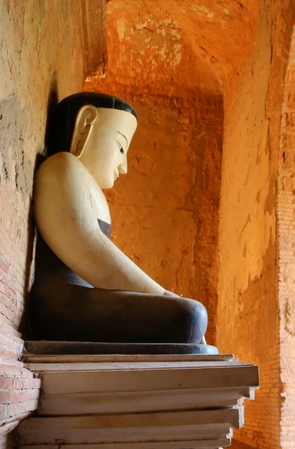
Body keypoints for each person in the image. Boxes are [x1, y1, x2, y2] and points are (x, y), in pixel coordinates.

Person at [29, 92, 207, 345]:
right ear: (86, 125)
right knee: (190, 315)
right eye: (121, 147)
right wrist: (161, 294)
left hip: (85, 294)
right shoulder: (62, 166)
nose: (124, 166)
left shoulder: (83, 181)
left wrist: (161, 297)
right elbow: (89, 249)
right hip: (59, 304)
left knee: (190, 315)